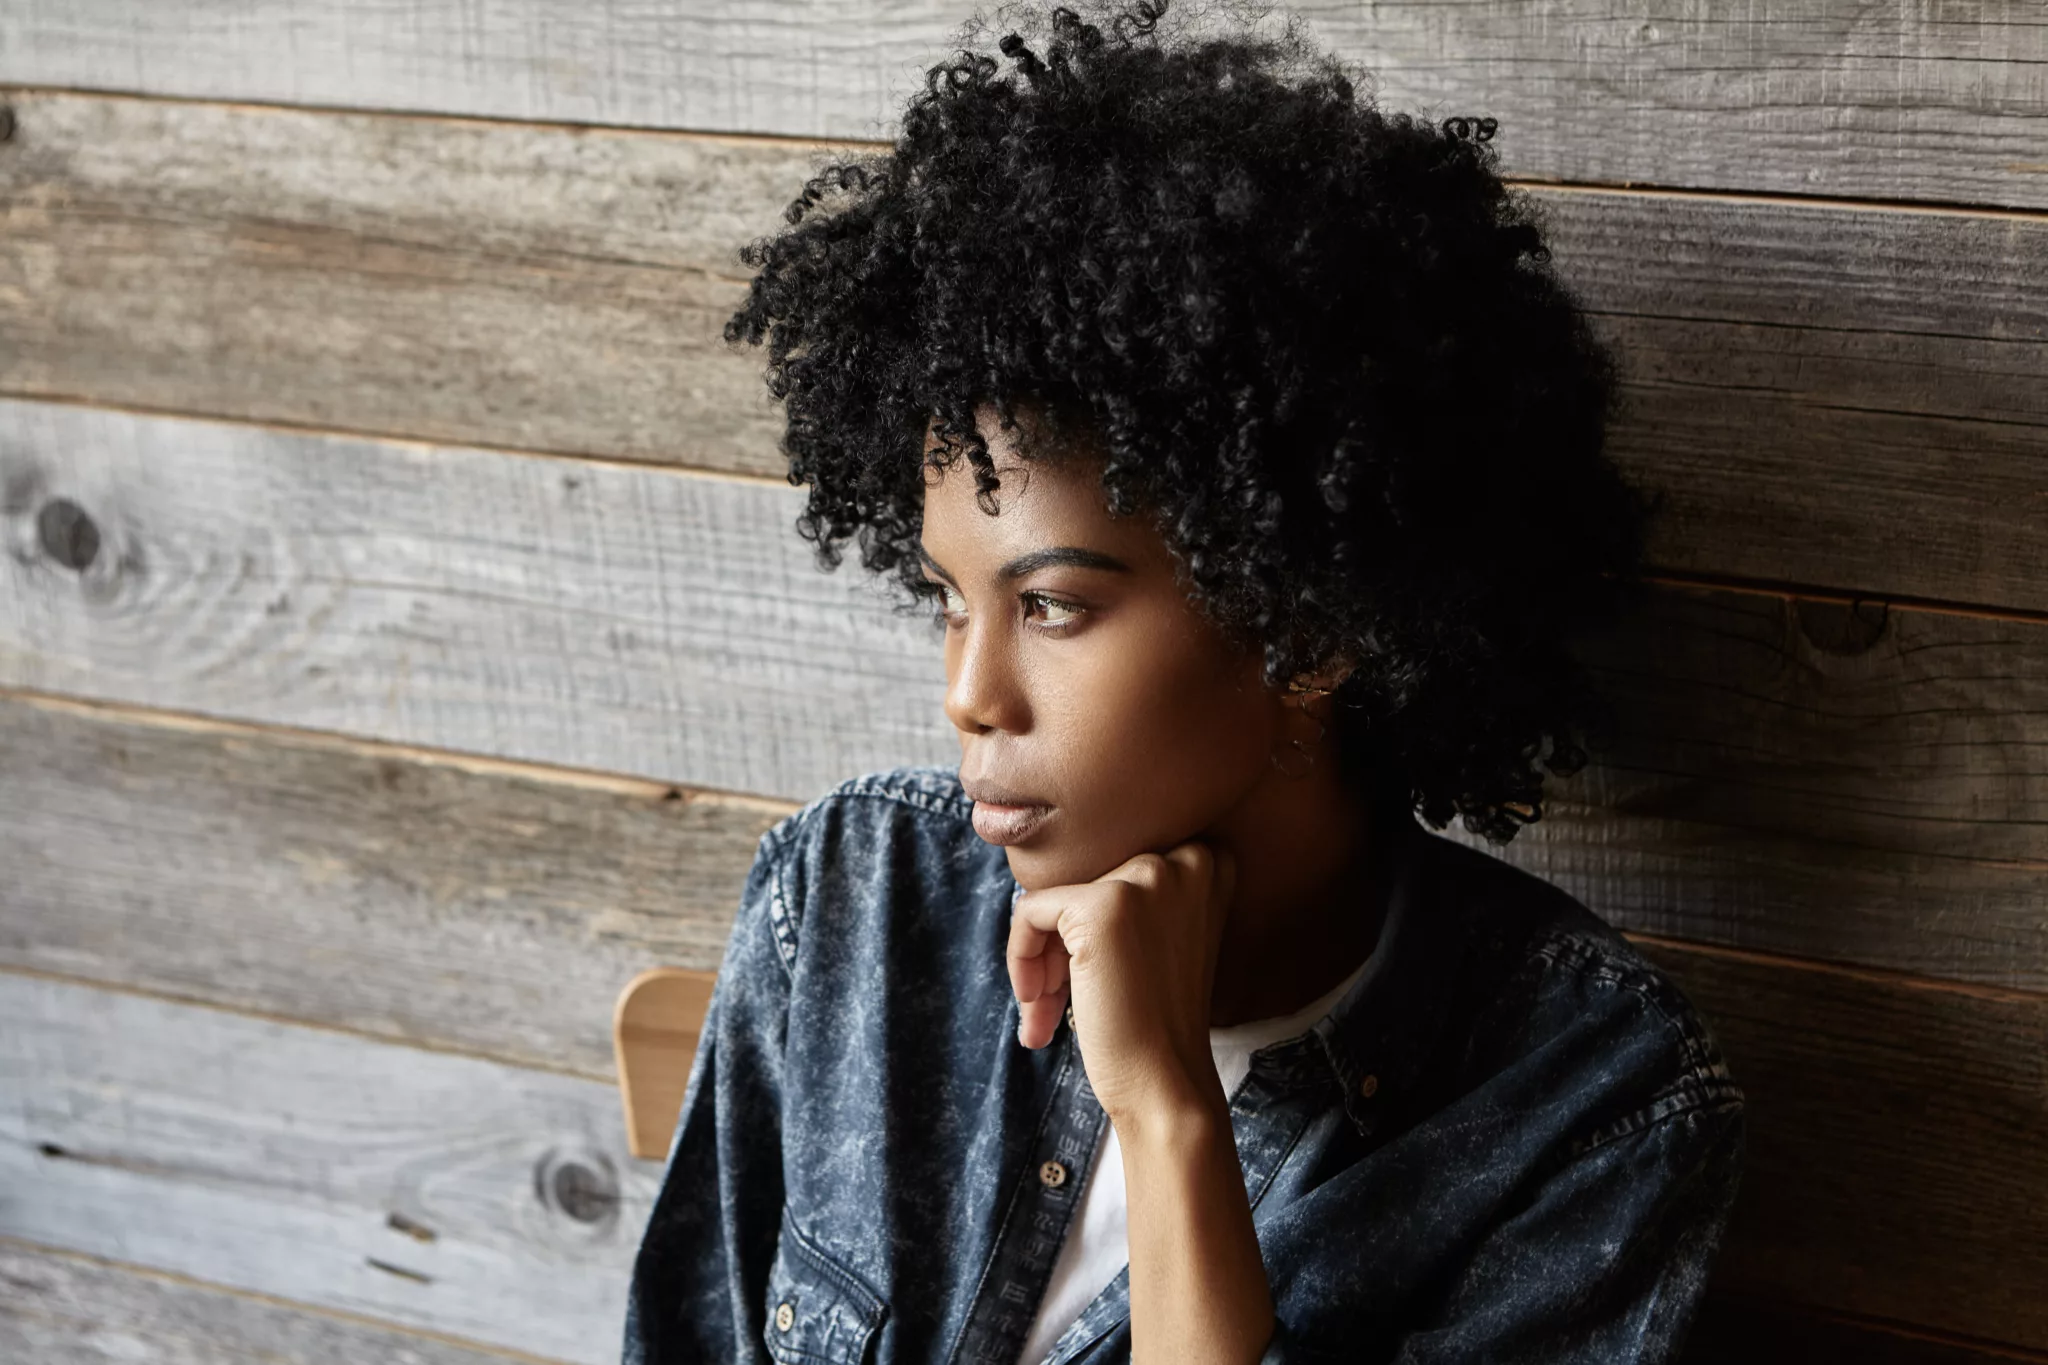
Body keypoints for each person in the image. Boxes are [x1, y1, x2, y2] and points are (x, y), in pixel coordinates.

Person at [621, 1, 1744, 1360]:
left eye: (1051, 605)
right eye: (947, 603)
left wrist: (1165, 1116)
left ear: (1310, 628)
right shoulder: (859, 901)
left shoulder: (1582, 1102)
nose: (970, 692)